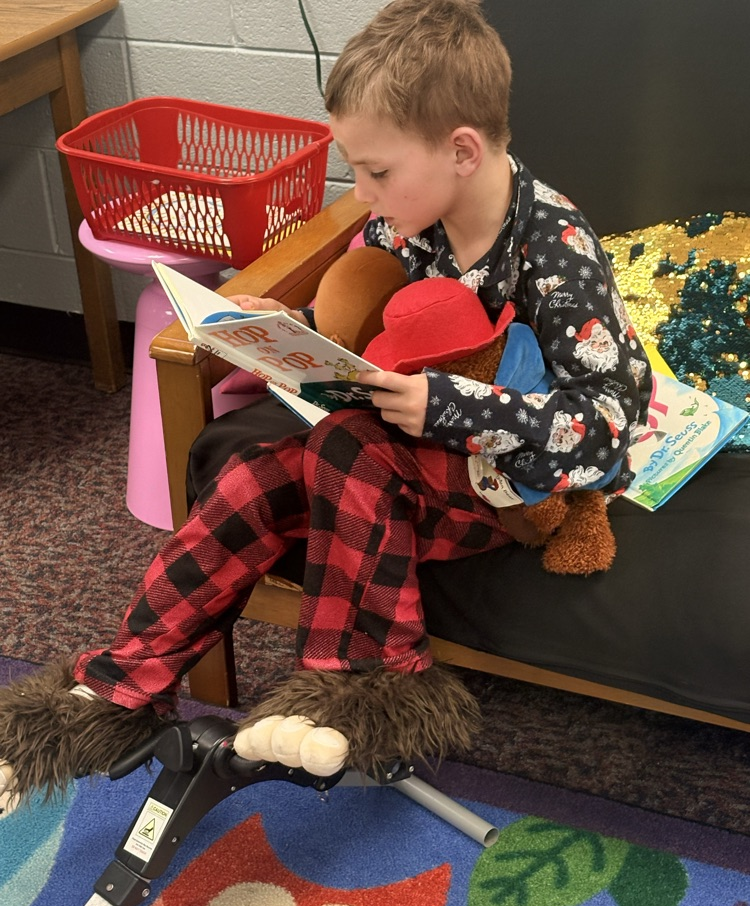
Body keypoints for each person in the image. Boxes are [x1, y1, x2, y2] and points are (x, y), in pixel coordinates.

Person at [0, 0, 652, 808]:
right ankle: (113, 691)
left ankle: (364, 685)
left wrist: (446, 405)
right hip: (398, 455)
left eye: (377, 173)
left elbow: (606, 431)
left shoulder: (556, 248)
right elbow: (364, 318)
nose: (365, 196)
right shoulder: (408, 224)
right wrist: (290, 330)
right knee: (255, 478)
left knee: (347, 444)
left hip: (512, 489)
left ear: (461, 150)